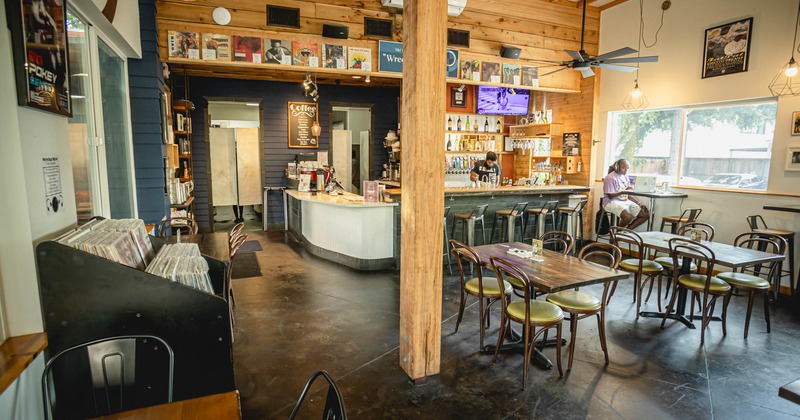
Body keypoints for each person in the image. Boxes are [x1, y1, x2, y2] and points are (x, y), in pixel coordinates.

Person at [602, 159, 649, 230]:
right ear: (617, 167)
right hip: (611, 202)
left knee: (645, 215)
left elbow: (628, 194)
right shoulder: (610, 178)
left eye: (627, 168)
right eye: (623, 168)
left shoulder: (625, 177)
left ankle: (625, 231)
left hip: (624, 201)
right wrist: (623, 191)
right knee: (628, 217)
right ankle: (618, 234)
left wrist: (639, 203)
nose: (626, 170)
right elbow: (610, 196)